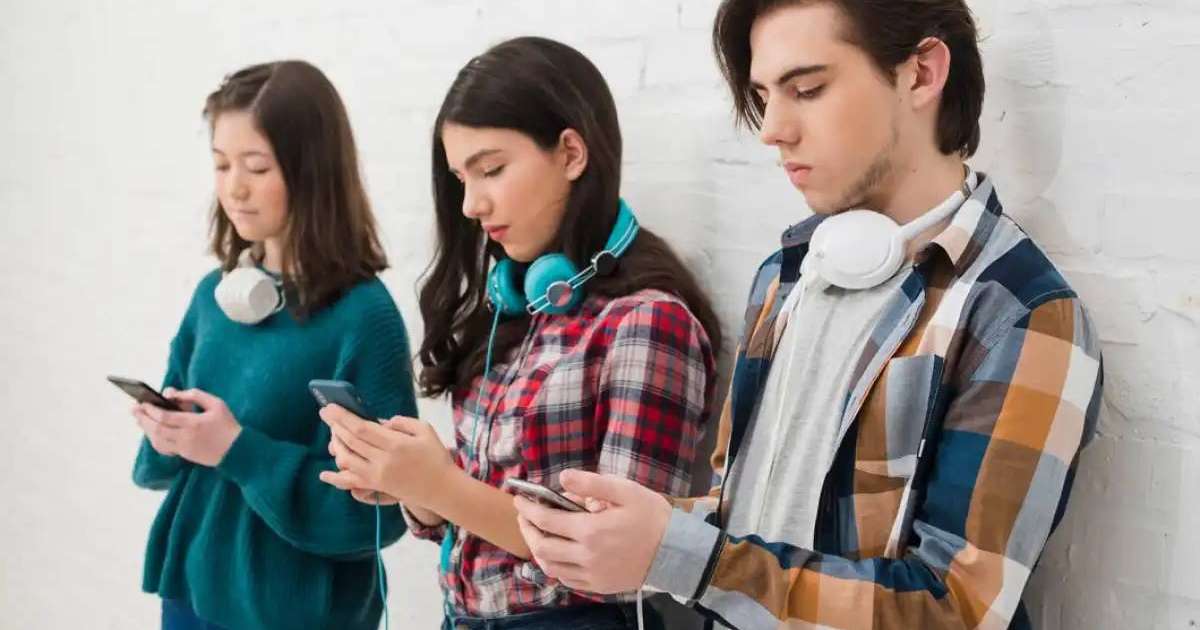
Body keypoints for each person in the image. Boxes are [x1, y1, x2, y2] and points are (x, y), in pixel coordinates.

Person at [513, 3, 1104, 629]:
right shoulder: (787, 275)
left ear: (923, 74)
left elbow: (957, 610)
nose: (771, 128)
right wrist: (640, 529)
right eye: (764, 95)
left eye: (808, 89)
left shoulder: (1021, 315)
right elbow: (746, 519)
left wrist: (684, 558)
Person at [317, 37, 722, 630]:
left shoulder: (649, 323)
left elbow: (622, 558)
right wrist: (414, 484)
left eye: (492, 169)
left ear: (572, 153)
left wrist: (442, 483)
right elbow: (485, 510)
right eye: (461, 178)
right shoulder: (514, 305)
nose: (470, 205)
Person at [130, 60, 416, 630]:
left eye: (256, 167)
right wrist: (169, 434)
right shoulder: (214, 298)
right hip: (190, 595)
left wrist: (237, 449)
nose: (234, 187)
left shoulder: (364, 317)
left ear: (312, 171)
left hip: (296, 615)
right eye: (221, 164)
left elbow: (378, 519)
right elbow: (161, 470)